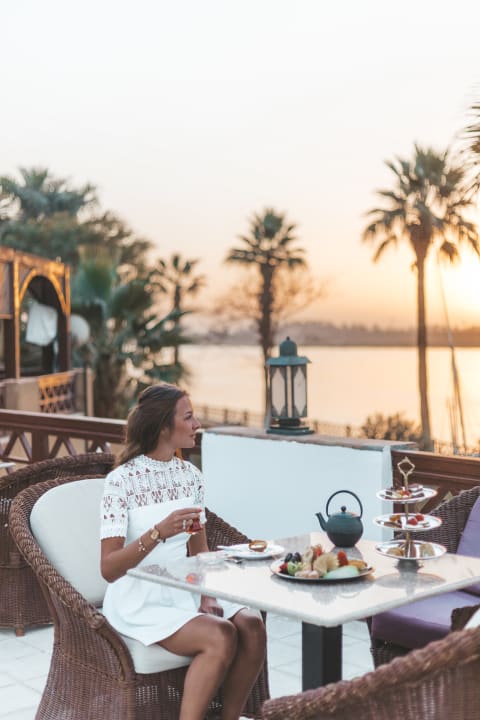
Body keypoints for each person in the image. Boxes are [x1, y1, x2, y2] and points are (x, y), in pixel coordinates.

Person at [100, 383, 266, 720]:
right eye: (188, 417)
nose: (197, 424)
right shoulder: (120, 482)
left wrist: (206, 594)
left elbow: (199, 548)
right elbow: (109, 569)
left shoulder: (190, 476)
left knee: (252, 624)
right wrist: (158, 533)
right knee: (221, 634)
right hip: (141, 596)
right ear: (164, 426)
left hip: (185, 585)